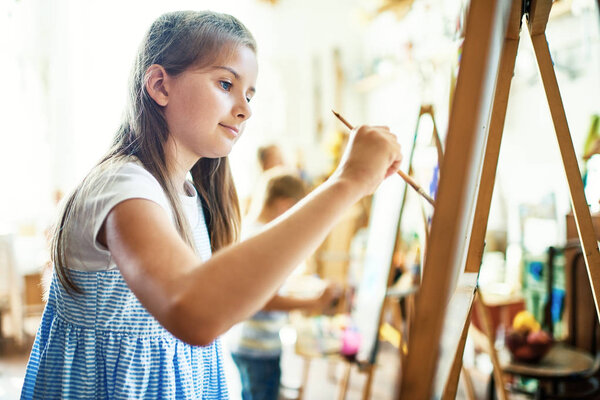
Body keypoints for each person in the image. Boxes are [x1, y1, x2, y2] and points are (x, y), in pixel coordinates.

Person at [20, 10, 402, 399]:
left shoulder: (186, 191)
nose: (246, 108)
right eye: (226, 84)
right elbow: (195, 312)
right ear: (160, 86)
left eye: (250, 94)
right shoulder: (123, 186)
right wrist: (346, 182)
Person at [228, 168, 341, 400]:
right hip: (257, 347)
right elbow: (263, 299)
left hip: (249, 342)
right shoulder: (264, 239)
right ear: (286, 205)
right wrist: (315, 302)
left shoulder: (250, 229)